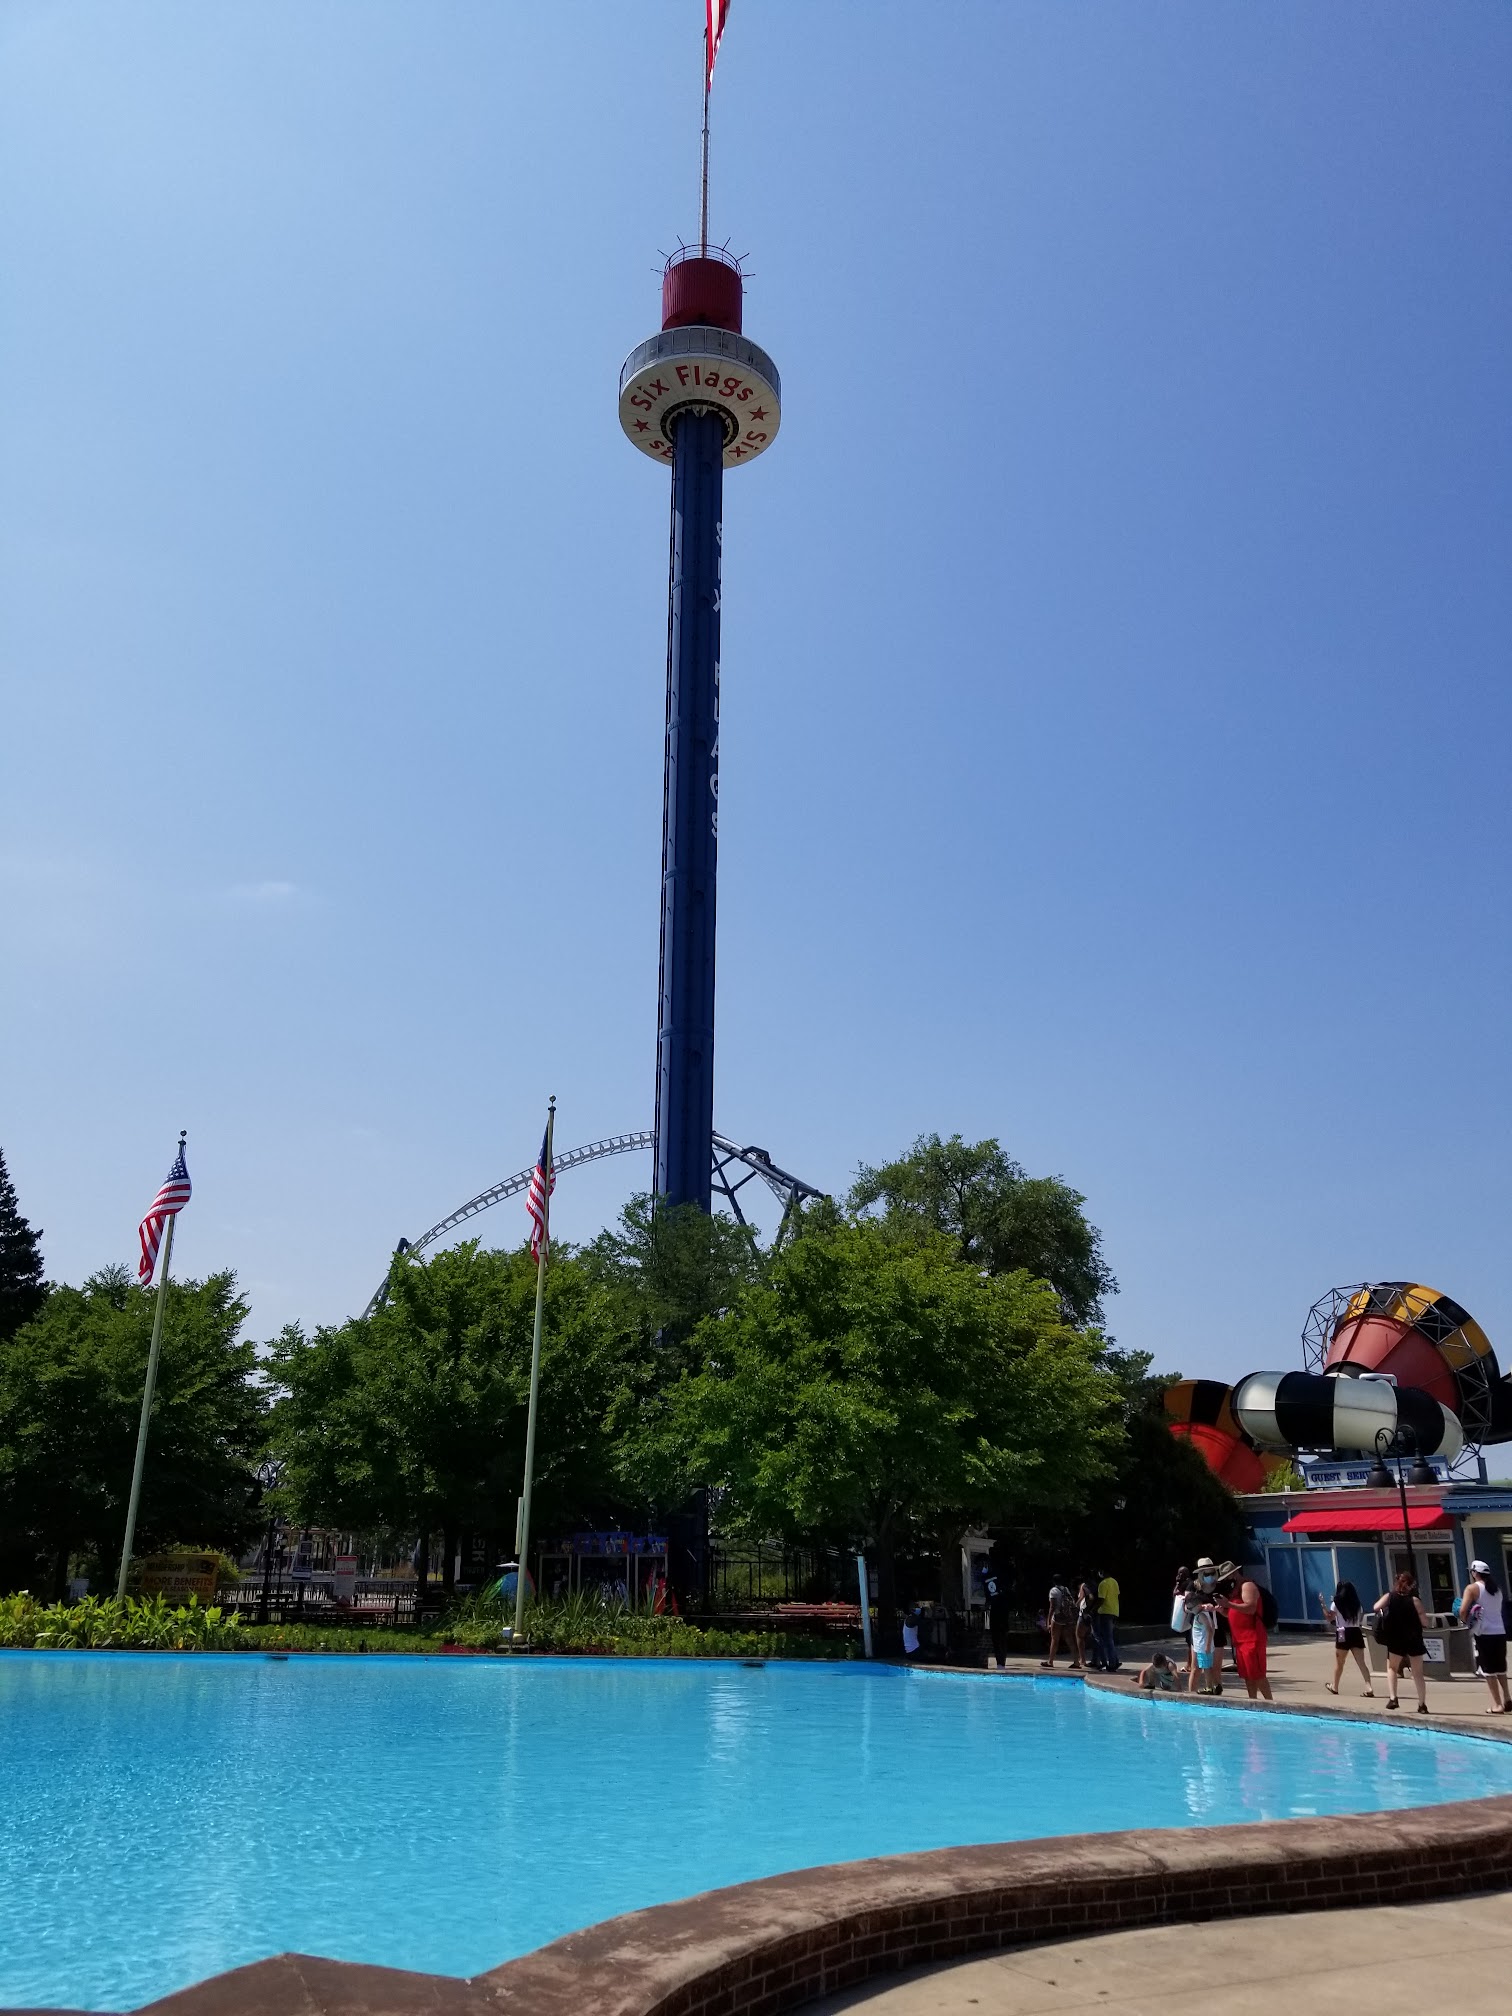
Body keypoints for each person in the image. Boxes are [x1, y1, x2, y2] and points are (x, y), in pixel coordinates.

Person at [1373, 1571, 1429, 1712]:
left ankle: (1393, 1698)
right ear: (1410, 1586)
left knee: (1392, 1668)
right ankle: (1422, 1704)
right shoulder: (1415, 1601)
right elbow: (1425, 1622)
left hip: (1395, 1638)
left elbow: (1376, 1607)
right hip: (1414, 1639)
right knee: (1418, 1673)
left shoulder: (1390, 1597)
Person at [1459, 1559, 1509, 1714]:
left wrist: (1466, 1622)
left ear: (1475, 1573)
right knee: (1501, 1668)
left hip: (1484, 1633)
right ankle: (1507, 1698)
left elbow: (1462, 1610)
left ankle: (1497, 1705)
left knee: (1488, 1671)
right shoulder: (1497, 1589)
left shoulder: (1472, 1588)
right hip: (1500, 1631)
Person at [1217, 1573, 1272, 1701]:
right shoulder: (1235, 1590)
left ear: (1234, 1575)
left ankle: (1270, 1703)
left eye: (1227, 1577)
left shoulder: (1247, 1586)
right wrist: (1223, 1610)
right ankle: (1252, 1702)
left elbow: (1251, 1608)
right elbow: (1235, 1612)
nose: (1226, 1581)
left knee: (1258, 1675)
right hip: (1240, 1639)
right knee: (1248, 1675)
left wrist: (1229, 1604)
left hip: (1252, 1638)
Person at [1320, 1579, 1373, 1697]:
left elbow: (1329, 1617)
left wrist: (1323, 1605)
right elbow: (1359, 1618)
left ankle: (1335, 1686)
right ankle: (1369, 1687)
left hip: (1342, 1632)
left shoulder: (1336, 1603)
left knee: (1340, 1663)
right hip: (1356, 1631)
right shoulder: (1357, 1604)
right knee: (1361, 1663)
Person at [1189, 1593, 1220, 1693]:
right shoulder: (1201, 1613)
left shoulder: (1201, 1615)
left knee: (1206, 1668)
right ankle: (1215, 1685)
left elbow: (1210, 1629)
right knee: (1207, 1666)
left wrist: (1207, 1645)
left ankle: (1209, 1687)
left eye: (1191, 1608)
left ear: (1198, 1606)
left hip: (1203, 1647)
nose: (1190, 1610)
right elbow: (1213, 1627)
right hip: (1202, 1646)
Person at [1042, 1576, 1076, 1667]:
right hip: (1067, 1617)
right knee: (1070, 1639)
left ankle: (1050, 1661)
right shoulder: (1066, 1589)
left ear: (1053, 1581)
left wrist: (1048, 1620)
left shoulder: (1053, 1591)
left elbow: (1052, 1607)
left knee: (1054, 1639)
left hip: (1058, 1617)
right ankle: (1076, 1661)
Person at [1094, 1568, 1122, 1671]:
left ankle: (1112, 1663)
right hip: (1114, 1611)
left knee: (1107, 1639)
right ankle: (1115, 1660)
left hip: (1105, 1612)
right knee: (1109, 1638)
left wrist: (1093, 1610)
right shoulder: (1114, 1582)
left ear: (1102, 1572)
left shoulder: (1103, 1583)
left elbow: (1101, 1599)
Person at [985, 1573, 1013, 1671]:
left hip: (997, 1617)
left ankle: (1000, 1662)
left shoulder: (995, 1596)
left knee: (998, 1641)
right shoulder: (1004, 1595)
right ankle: (1001, 1662)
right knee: (1001, 1641)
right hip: (1002, 1618)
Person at [1075, 1579, 1096, 1670]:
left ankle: (1082, 1659)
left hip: (1084, 1613)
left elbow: (1089, 1597)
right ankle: (1095, 1659)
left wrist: (1077, 1604)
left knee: (1079, 1636)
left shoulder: (1084, 1585)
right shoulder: (1094, 1584)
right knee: (1093, 1636)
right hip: (1092, 1614)